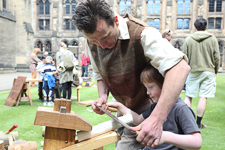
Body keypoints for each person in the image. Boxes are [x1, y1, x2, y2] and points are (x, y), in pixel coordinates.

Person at [72, 0, 190, 149]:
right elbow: (99, 73)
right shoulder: (94, 39)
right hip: (124, 113)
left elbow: (180, 67)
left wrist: (156, 119)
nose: (101, 45)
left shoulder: (143, 34)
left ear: (115, 21)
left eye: (105, 37)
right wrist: (102, 96)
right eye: (94, 40)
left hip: (146, 112)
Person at [107, 63, 202, 150]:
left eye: (151, 87)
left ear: (165, 84)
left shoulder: (181, 109)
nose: (148, 92)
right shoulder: (155, 107)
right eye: (146, 88)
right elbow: (137, 119)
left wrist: (165, 137)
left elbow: (197, 142)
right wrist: (119, 106)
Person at [183, 18, 220, 129]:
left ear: (195, 27)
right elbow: (217, 57)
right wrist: (215, 70)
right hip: (208, 70)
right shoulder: (212, 38)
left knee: (189, 96)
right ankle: (198, 123)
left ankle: (185, 122)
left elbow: (184, 56)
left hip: (193, 71)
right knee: (203, 97)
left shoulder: (188, 39)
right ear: (206, 26)